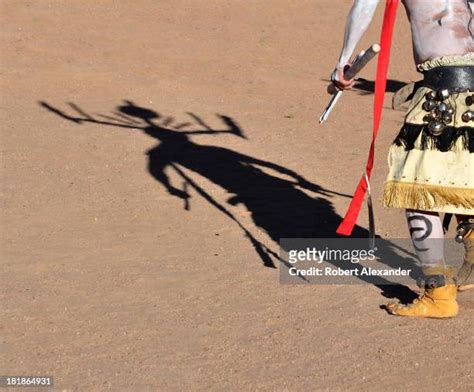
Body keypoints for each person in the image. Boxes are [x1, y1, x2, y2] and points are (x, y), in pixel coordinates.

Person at [330, 0, 474, 318]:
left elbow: (365, 6)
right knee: (460, 178)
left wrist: (343, 62)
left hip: (445, 90)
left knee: (419, 191)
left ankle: (438, 295)